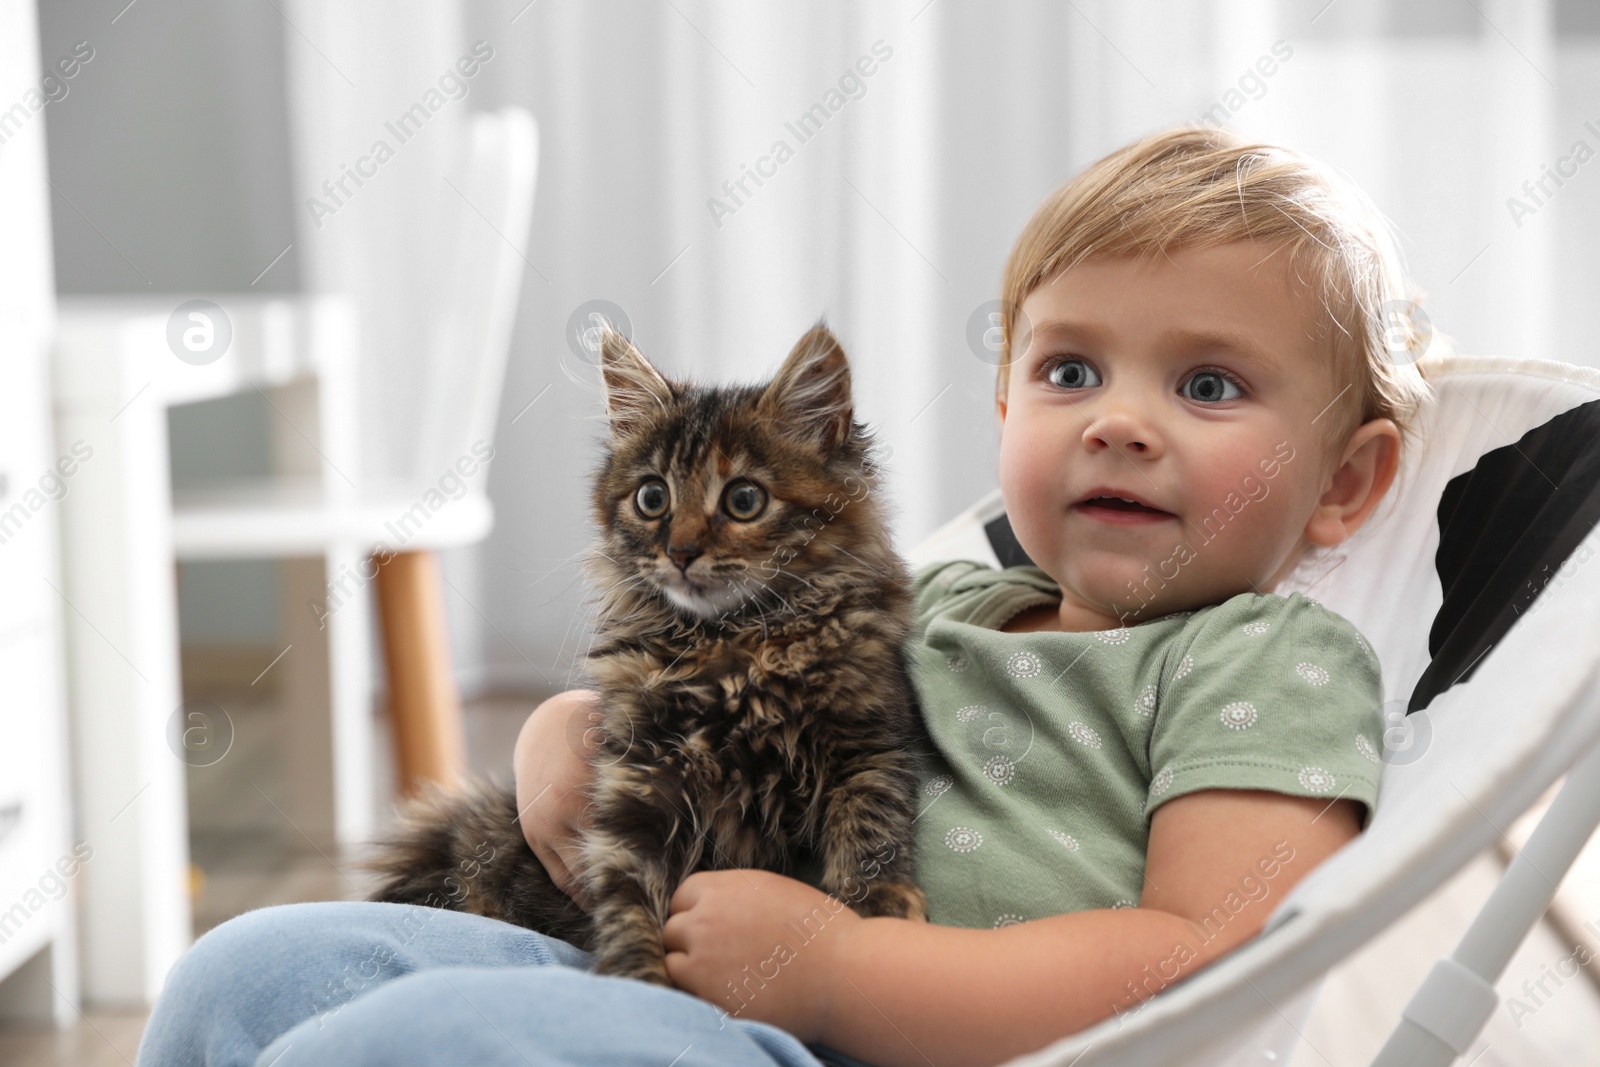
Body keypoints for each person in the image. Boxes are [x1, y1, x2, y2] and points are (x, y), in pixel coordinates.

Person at [136, 124, 1435, 1067]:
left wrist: (843, 972)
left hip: (857, 1045)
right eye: (1071, 372)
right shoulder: (935, 602)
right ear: (1005, 403)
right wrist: (561, 740)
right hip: (687, 982)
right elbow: (697, 708)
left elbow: (1201, 961)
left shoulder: (1265, 658)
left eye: (1208, 387)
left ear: (1347, 483)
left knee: (413, 1048)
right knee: (247, 977)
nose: (1119, 425)